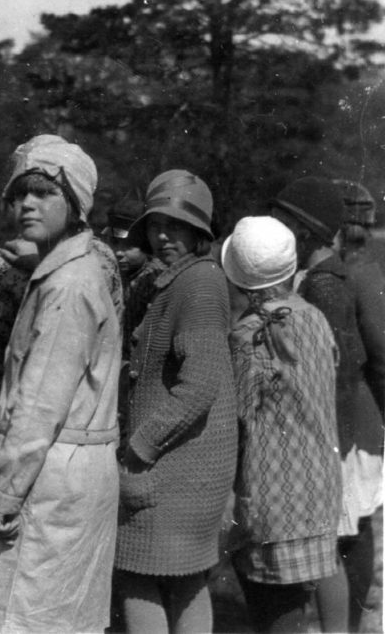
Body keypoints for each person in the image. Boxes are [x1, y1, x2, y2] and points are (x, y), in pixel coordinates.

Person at [0, 134, 122, 632]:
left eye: (44, 193)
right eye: (20, 193)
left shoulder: (68, 287)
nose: (27, 203)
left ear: (75, 205)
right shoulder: (66, 271)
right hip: (64, 470)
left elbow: (40, 406)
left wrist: (5, 493)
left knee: (25, 619)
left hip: (48, 474)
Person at [114, 169, 237, 633]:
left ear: (201, 232)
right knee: (185, 580)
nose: (163, 235)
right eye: (155, 224)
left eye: (177, 226)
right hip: (187, 465)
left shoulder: (199, 285)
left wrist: (139, 447)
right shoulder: (183, 279)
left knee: (136, 574)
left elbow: (201, 382)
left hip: (174, 467)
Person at [270, 177, 384, 631]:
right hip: (351, 421)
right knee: (346, 528)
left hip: (352, 422)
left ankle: (348, 624)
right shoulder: (350, 271)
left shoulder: (353, 276)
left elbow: (378, 357)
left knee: (347, 530)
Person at [222, 216, 343, 633]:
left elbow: (236, 417)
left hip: (272, 495)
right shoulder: (314, 318)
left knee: (274, 616)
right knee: (293, 609)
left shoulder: (250, 335)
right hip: (318, 488)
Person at [101, 197, 165, 359]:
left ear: (146, 246)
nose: (119, 252)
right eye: (114, 243)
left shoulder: (153, 279)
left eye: (129, 246)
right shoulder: (113, 271)